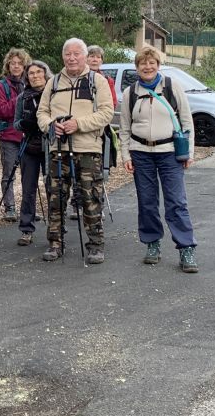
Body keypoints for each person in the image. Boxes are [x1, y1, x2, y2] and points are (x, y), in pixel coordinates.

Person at [36, 38, 116, 264]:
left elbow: (106, 113)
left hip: (89, 150)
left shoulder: (96, 81)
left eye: (76, 54)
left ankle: (96, 245)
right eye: (67, 54)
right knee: (56, 198)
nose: (71, 58)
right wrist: (52, 125)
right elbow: (41, 113)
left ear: (84, 56)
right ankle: (55, 243)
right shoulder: (53, 83)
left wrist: (77, 124)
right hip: (57, 149)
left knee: (91, 197)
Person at [119, 45, 199, 272]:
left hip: (170, 153)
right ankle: (152, 244)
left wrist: (189, 152)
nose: (147, 66)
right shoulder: (130, 93)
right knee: (147, 202)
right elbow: (124, 128)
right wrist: (126, 154)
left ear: (158, 65)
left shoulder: (173, 88)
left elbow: (186, 122)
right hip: (141, 152)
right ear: (137, 67)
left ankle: (186, 248)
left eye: (151, 62)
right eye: (143, 63)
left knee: (176, 202)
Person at [71, 45, 119, 219]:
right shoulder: (77, 77)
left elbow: (111, 104)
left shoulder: (107, 80)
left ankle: (97, 206)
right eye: (91, 56)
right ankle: (77, 204)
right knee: (76, 167)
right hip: (80, 128)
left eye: (98, 57)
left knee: (99, 169)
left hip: (100, 129)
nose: (94, 60)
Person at [12, 61, 51, 247]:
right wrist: (25, 124)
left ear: (45, 74)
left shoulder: (54, 94)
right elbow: (16, 123)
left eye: (38, 72)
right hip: (29, 146)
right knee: (28, 189)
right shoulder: (23, 98)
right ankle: (26, 229)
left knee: (54, 187)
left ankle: (56, 227)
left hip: (51, 146)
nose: (35, 76)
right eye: (31, 73)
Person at [0, 48, 31, 222]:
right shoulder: (1, 87)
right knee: (9, 173)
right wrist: (21, 99)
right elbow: (1, 110)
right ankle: (10, 208)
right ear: (8, 65)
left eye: (20, 63)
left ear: (25, 66)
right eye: (13, 63)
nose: (16, 66)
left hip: (28, 136)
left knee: (29, 174)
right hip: (9, 136)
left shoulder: (31, 83)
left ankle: (27, 208)